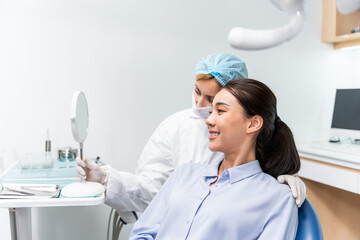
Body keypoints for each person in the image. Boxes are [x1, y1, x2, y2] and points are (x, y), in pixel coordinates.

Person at [76, 53, 306, 213]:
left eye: (215, 102)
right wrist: (105, 178)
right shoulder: (176, 132)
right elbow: (152, 193)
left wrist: (283, 180)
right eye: (197, 92)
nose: (199, 105)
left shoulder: (255, 138)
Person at [130, 79, 299, 239]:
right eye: (211, 112)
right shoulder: (184, 173)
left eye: (220, 111)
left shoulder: (278, 197)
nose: (209, 120)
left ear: (253, 123)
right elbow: (142, 232)